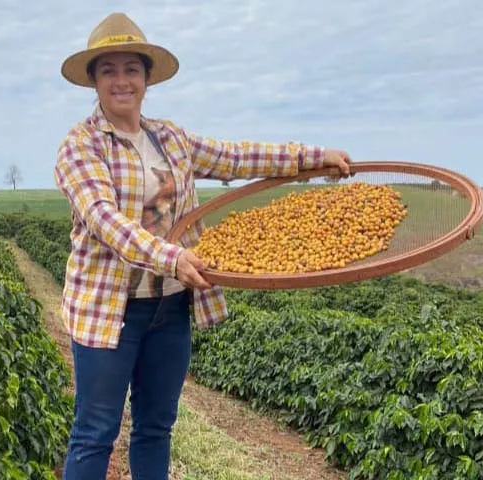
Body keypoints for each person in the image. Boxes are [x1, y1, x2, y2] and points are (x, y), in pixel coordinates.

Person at [54, 12, 352, 479]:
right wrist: (173, 258)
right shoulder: (81, 145)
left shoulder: (170, 138)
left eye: (131, 69)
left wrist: (312, 159)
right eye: (108, 70)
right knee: (95, 433)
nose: (121, 80)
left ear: (147, 79)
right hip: (109, 310)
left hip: (170, 310)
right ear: (93, 81)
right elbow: (104, 220)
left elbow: (236, 158)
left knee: (156, 428)